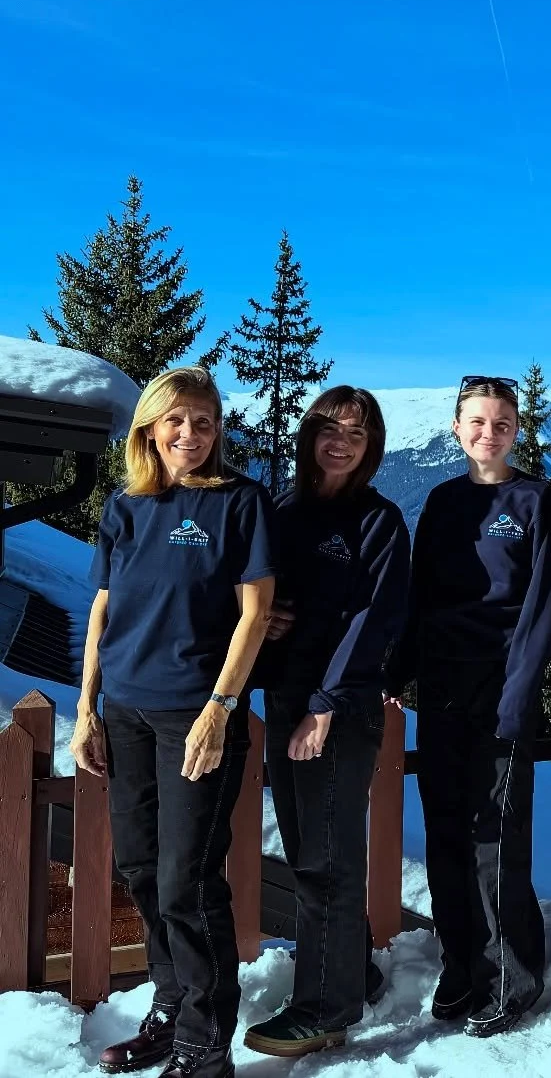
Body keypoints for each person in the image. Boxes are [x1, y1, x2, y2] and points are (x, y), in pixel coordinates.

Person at [69, 367, 275, 1078]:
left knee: (186, 879)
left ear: (218, 430)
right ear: (150, 428)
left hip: (195, 712)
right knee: (140, 867)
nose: (190, 434)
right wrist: (85, 707)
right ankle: (170, 1006)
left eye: (205, 421)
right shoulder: (125, 508)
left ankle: (206, 1041)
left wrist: (220, 710)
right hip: (124, 709)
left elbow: (255, 613)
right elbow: (102, 611)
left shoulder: (240, 503)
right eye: (176, 421)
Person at [384, 376, 551, 1037]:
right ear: (457, 428)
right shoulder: (441, 500)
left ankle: (513, 975)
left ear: (516, 430)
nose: (487, 434)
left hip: (502, 684)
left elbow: (548, 602)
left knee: (496, 837)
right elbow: (420, 594)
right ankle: (460, 961)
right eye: (476, 423)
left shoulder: (537, 500)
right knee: (445, 831)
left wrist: (520, 693)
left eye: (500, 423)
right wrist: (400, 667)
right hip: (439, 684)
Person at [241, 387, 410, 1057]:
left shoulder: (378, 520)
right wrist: (268, 618)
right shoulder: (280, 510)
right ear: (309, 434)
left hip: (335, 711)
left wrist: (324, 704)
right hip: (284, 699)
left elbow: (375, 620)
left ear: (372, 448)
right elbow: (248, 590)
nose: (341, 442)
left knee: (328, 862)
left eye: (358, 434)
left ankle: (326, 1005)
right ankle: (351, 971)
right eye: (330, 429)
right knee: (312, 851)